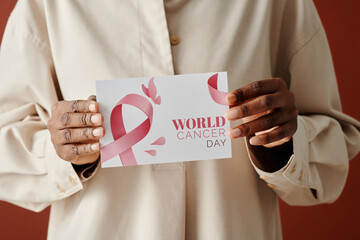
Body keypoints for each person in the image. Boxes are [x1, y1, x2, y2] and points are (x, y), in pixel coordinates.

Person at [0, 0, 359, 239]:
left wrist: (282, 144)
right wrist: (57, 151)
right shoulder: (48, 4)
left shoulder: (273, 5)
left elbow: (334, 147)